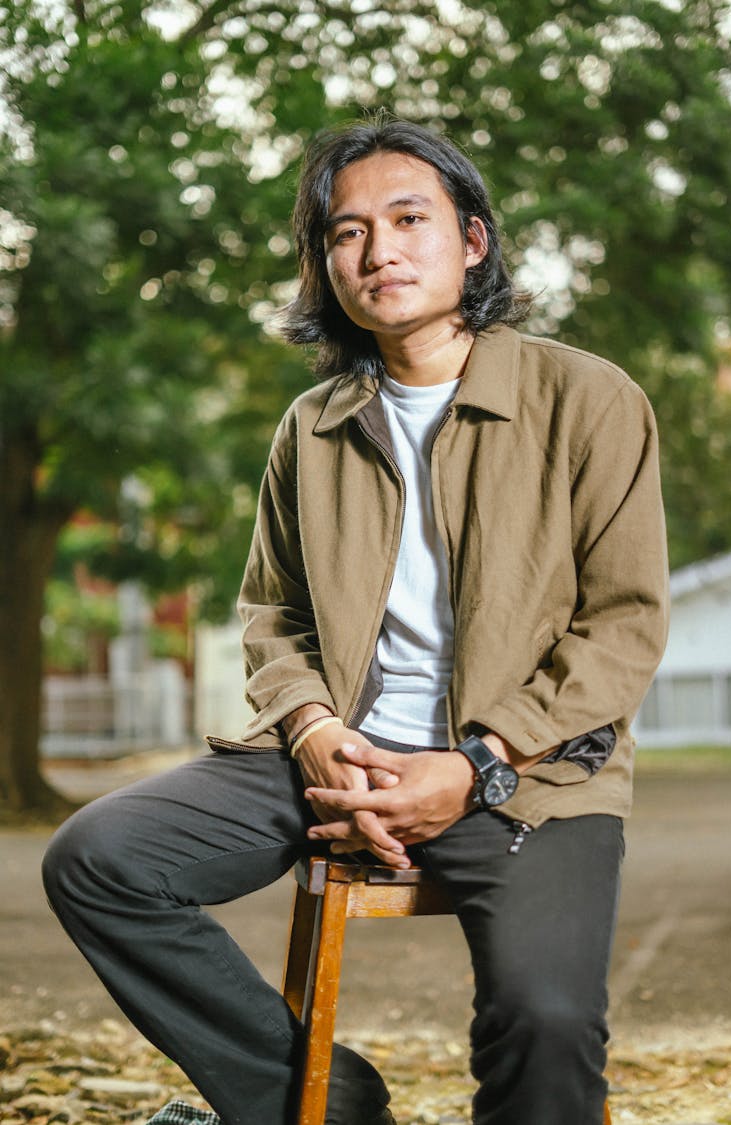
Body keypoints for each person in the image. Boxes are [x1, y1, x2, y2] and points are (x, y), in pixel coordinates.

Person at [43, 116, 669, 1125]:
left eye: (409, 218)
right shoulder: (314, 425)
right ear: (324, 263)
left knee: (546, 1021)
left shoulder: (588, 401)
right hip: (329, 757)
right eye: (345, 232)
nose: (378, 251)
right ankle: (328, 1106)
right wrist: (316, 729)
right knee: (99, 860)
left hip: (527, 775)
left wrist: (477, 762)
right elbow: (272, 615)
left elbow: (624, 626)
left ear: (471, 241)